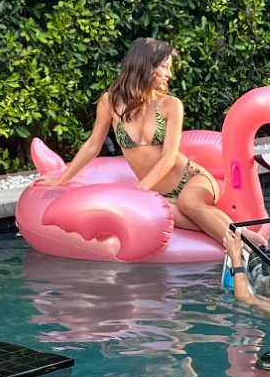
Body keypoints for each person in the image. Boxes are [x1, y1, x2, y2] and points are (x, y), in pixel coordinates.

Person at [50, 38, 245, 256]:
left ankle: (242, 254)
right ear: (145, 65)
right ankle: (244, 237)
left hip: (191, 179)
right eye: (164, 67)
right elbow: (93, 145)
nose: (169, 74)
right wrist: (61, 180)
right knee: (173, 214)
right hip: (161, 194)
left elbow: (169, 156)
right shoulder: (110, 101)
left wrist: (140, 191)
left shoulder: (171, 105)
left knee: (189, 203)